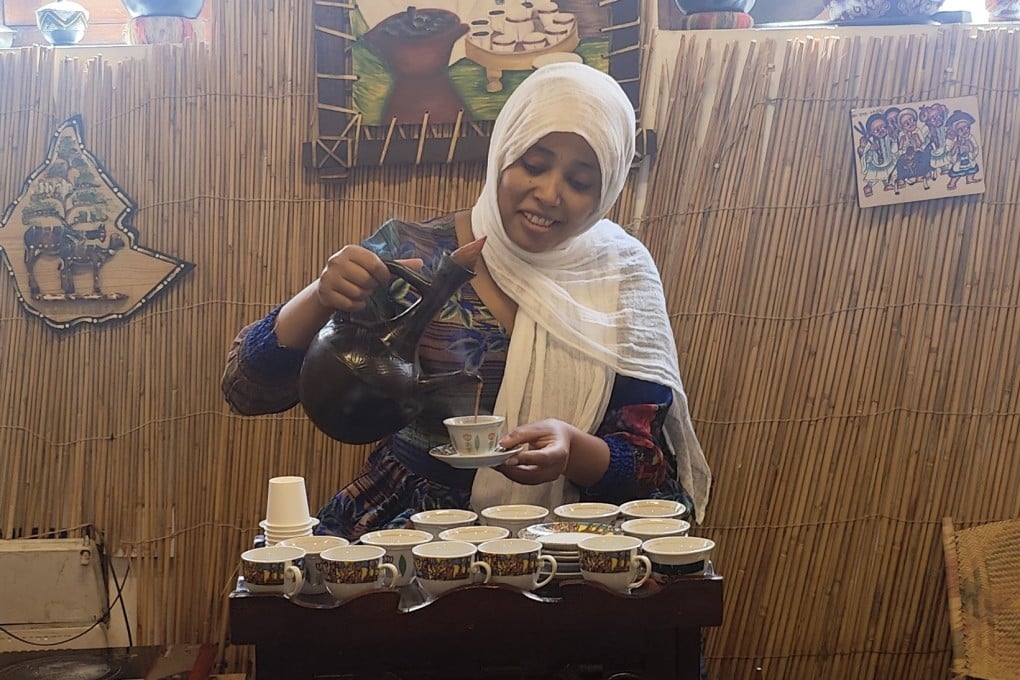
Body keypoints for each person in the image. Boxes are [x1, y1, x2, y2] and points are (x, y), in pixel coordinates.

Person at [221, 62, 711, 540]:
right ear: (502, 154)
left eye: (581, 181)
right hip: (403, 537)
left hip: (562, 545)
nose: (549, 193)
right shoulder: (408, 254)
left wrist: (573, 451)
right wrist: (321, 295)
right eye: (534, 165)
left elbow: (651, 473)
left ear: (606, 192)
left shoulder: (620, 278)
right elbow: (247, 388)